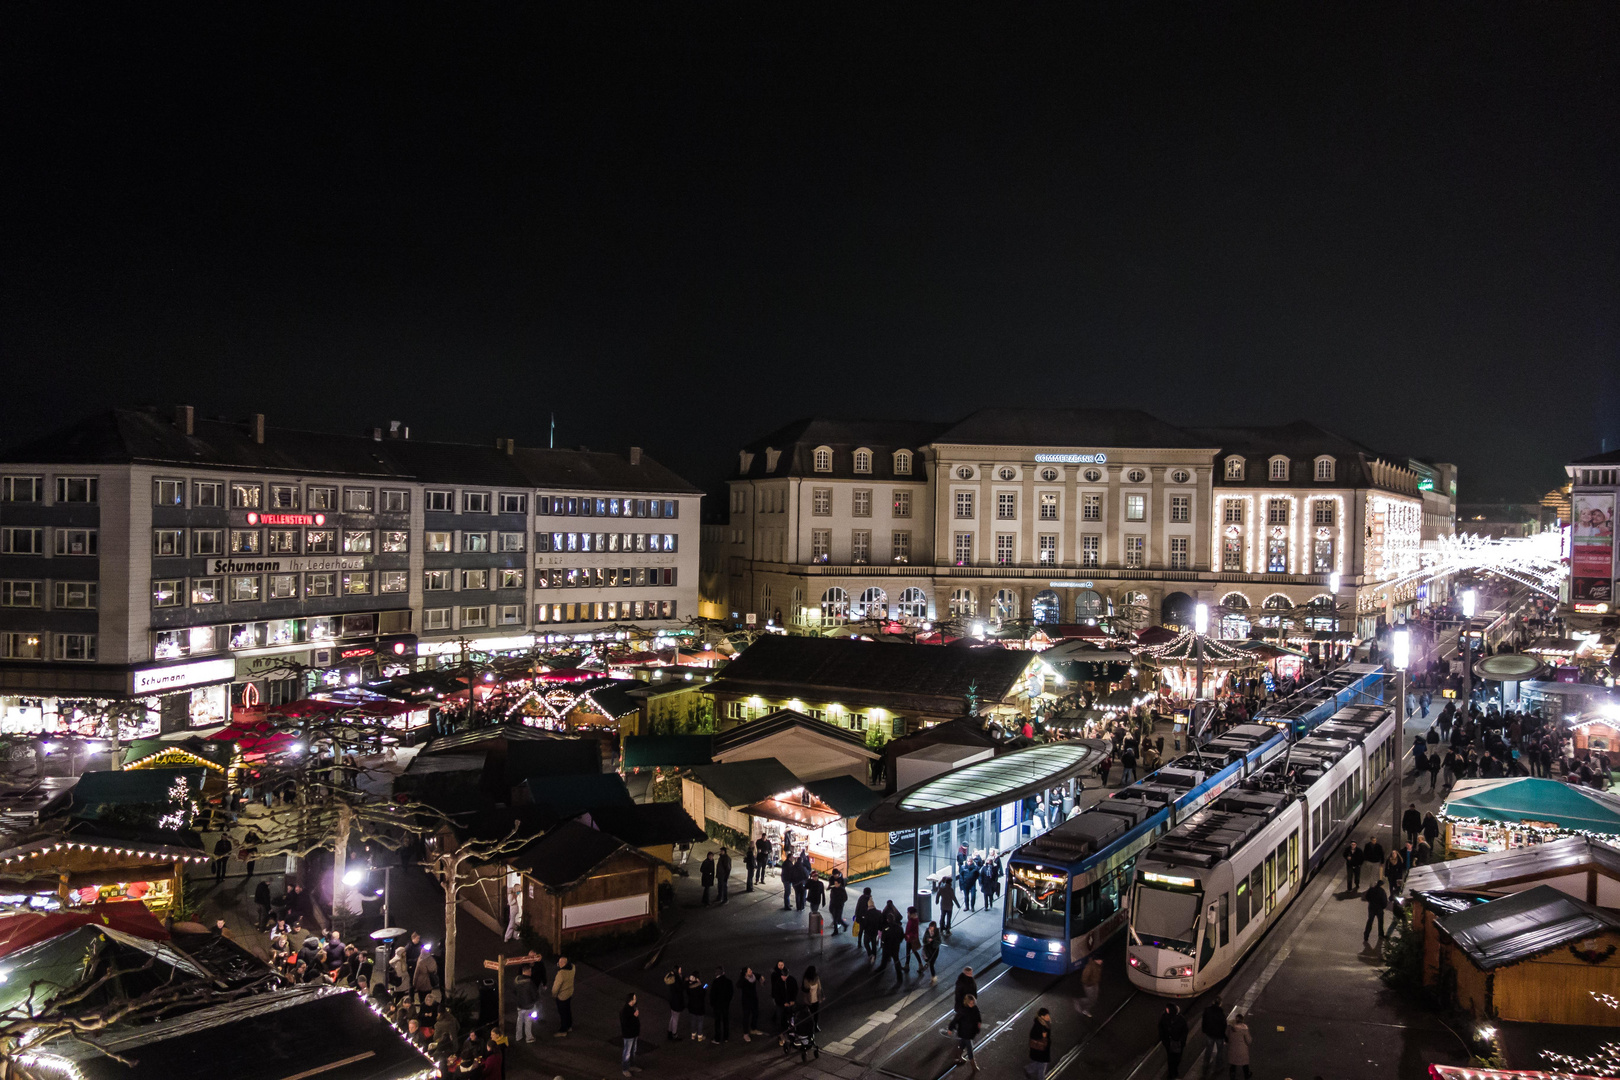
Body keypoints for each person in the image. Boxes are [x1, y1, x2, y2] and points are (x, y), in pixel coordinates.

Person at [1158, 1004, 1188, 1079]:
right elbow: (1161, 1029)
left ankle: (1173, 1071)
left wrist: (1181, 1041)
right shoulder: (1165, 1017)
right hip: (1169, 1042)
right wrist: (1165, 1041)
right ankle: (1172, 1073)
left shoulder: (1180, 1019)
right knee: (1171, 1058)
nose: (1166, 1010)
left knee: (1177, 1058)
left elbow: (1185, 1031)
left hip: (1177, 1042)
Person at [954, 992, 982, 1071]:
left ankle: (959, 1055)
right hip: (965, 1031)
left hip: (970, 1031)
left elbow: (978, 1017)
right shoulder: (964, 1010)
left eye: (973, 1002)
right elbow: (957, 1019)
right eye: (970, 1003)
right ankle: (973, 1065)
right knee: (970, 1048)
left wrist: (978, 1025)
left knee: (963, 1043)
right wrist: (951, 1027)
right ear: (967, 1003)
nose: (972, 1004)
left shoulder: (975, 1008)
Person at [513, 963, 538, 1043]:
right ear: (527, 971)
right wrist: (535, 1001)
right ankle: (529, 1037)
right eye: (530, 971)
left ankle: (518, 1036)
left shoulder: (517, 980)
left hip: (519, 1005)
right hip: (529, 1006)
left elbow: (514, 991)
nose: (531, 973)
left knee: (519, 1020)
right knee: (528, 1021)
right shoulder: (530, 982)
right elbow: (535, 994)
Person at [551, 955, 575, 1037]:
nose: (559, 964)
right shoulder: (573, 968)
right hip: (570, 993)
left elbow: (556, 987)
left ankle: (563, 1030)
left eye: (560, 962)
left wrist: (554, 995)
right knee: (568, 1010)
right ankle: (569, 1026)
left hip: (562, 996)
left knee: (563, 1013)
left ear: (562, 963)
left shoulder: (561, 974)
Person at [1201, 996, 1227, 1070]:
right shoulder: (1221, 1013)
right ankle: (1218, 1065)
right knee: (1219, 1051)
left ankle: (1206, 1064)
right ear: (1220, 1004)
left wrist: (1204, 1030)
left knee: (1208, 1049)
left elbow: (1204, 1022)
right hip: (1219, 1035)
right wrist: (1224, 1036)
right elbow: (1223, 1025)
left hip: (1209, 1034)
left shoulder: (1207, 1010)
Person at [620, 993, 642, 1077]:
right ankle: (625, 1069)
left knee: (633, 1051)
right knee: (627, 1052)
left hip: (634, 1033)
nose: (636, 1000)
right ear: (631, 1000)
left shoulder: (633, 1007)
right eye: (634, 998)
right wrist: (634, 1016)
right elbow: (626, 1023)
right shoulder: (625, 1010)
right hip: (629, 1035)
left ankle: (632, 1065)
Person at [1027, 1008, 1052, 1080]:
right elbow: (1036, 1038)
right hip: (1041, 1050)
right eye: (1046, 1015)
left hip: (1041, 1050)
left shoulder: (1043, 1024)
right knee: (1042, 1067)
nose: (1048, 1017)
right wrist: (1044, 1038)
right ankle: (1029, 1070)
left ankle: (1028, 1069)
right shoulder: (1040, 1027)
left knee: (1039, 1064)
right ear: (1042, 1017)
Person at [710, 966, 733, 1043]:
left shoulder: (715, 982)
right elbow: (731, 993)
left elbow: (712, 995)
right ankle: (726, 1037)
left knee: (717, 1022)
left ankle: (717, 1038)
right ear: (723, 972)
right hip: (725, 1005)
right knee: (725, 1021)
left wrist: (712, 1004)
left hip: (717, 1006)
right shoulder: (729, 982)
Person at [1227, 1011, 1253, 1080]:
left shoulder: (1231, 1028)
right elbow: (1249, 1041)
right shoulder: (1244, 1029)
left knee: (1233, 1065)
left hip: (1232, 1050)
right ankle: (1246, 1076)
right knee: (1245, 1065)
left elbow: (1229, 1038)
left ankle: (1232, 1077)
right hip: (1242, 1051)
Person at [739, 966, 761, 1041]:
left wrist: (762, 977)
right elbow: (738, 985)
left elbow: (758, 975)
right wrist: (744, 979)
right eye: (749, 971)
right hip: (746, 1001)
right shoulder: (743, 980)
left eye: (751, 970)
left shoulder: (753, 976)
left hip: (754, 999)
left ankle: (753, 1029)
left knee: (756, 1013)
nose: (751, 971)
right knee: (746, 1016)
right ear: (745, 974)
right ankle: (745, 1034)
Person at [1363, 879, 1389, 945]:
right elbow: (1384, 901)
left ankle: (1366, 935)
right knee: (1380, 922)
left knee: (1370, 921)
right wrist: (1382, 907)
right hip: (1379, 909)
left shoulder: (1371, 889)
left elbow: (1367, 897)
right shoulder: (1382, 891)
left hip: (1371, 907)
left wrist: (1371, 902)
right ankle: (1381, 934)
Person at [665, 965, 686, 1040]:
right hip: (677, 1001)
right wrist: (683, 981)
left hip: (672, 1000)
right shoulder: (676, 979)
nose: (681, 970)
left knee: (673, 1017)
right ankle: (674, 1034)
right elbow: (681, 988)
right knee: (675, 1018)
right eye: (680, 969)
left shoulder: (672, 977)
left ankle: (669, 1032)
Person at [686, 971, 707, 1041]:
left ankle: (693, 1035)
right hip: (699, 1007)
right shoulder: (700, 988)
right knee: (700, 1021)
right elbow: (703, 995)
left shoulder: (689, 987)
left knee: (693, 1021)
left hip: (692, 1007)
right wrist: (703, 986)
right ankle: (700, 1036)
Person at [881, 916, 903, 981]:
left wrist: (882, 944)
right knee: (896, 960)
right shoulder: (899, 927)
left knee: (884, 960)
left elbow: (883, 938)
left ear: (888, 920)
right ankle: (900, 976)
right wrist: (899, 942)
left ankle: (881, 972)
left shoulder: (886, 928)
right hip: (896, 946)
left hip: (887, 947)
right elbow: (902, 936)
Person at [800, 965, 822, 1032]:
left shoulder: (817, 978)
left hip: (816, 999)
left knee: (816, 1014)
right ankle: (809, 1027)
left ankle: (815, 1025)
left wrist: (820, 997)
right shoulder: (806, 980)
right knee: (809, 1014)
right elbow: (805, 990)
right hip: (809, 1000)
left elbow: (819, 988)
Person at [904, 906, 922, 971]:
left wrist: (908, 935)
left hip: (910, 939)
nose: (907, 913)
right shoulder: (915, 919)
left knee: (911, 952)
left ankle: (908, 966)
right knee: (911, 952)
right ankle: (908, 965)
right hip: (912, 938)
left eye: (908, 912)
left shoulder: (912, 920)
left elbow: (910, 930)